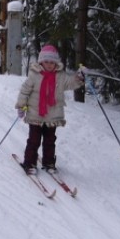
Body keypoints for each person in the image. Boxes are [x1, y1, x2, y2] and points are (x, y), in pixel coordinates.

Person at [15, 45, 84, 175]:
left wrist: (78, 78)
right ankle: (29, 163)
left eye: (52, 62)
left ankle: (49, 162)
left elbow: (70, 83)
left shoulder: (60, 76)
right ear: (41, 61)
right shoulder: (34, 75)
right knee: (34, 140)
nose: (49, 65)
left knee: (50, 141)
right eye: (46, 61)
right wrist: (21, 106)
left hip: (53, 116)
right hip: (36, 115)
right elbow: (25, 91)